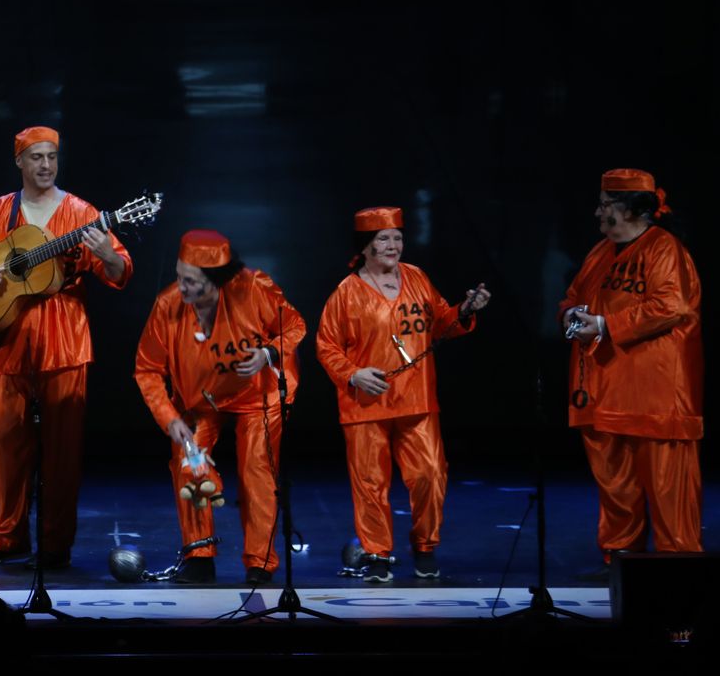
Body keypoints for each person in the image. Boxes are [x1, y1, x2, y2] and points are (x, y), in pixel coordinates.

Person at [0, 125, 131, 567]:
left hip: (66, 338)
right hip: (8, 337)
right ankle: (8, 538)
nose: (45, 165)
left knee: (62, 450)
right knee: (5, 446)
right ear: (19, 162)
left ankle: (56, 545)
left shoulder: (80, 211)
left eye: (51, 157)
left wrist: (107, 252)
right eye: (36, 157)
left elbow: (119, 271)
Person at [315, 206, 490, 583]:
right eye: (383, 239)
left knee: (429, 474)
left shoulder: (416, 278)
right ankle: (378, 553)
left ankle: (425, 545)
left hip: (417, 400)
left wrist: (465, 310)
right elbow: (327, 346)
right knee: (369, 483)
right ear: (365, 247)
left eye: (397, 237)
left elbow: (442, 321)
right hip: (366, 406)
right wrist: (354, 374)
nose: (393, 245)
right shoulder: (346, 293)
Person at [134, 230, 305, 585]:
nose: (181, 287)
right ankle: (199, 555)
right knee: (189, 466)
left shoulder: (254, 288)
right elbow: (147, 369)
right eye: (179, 276)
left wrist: (267, 354)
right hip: (200, 403)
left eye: (192, 282)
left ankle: (261, 561)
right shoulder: (168, 305)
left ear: (216, 282)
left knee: (257, 471)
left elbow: (295, 326)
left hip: (258, 395)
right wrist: (169, 419)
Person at [560, 168, 702, 568]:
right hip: (604, 387)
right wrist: (571, 315)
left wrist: (605, 325)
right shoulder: (599, 252)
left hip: (655, 392)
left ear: (631, 209)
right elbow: (572, 297)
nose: (597, 213)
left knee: (667, 485)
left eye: (605, 205)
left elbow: (671, 306)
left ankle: (681, 565)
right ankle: (621, 560)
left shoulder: (664, 249)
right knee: (615, 482)